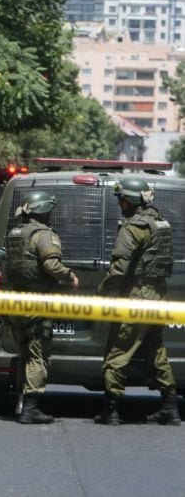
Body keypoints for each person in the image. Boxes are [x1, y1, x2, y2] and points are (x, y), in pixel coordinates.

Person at [94, 177, 179, 426]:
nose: (119, 204)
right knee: (155, 350)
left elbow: (119, 269)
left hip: (135, 298)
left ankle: (111, 410)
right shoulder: (161, 224)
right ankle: (170, 407)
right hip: (158, 297)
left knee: (117, 352)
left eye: (121, 199)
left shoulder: (132, 228)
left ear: (130, 200)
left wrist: (103, 292)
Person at [5, 191, 78, 424]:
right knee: (38, 355)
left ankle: (20, 402)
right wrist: (69, 277)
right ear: (45, 212)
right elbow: (51, 263)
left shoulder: (15, 233)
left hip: (15, 302)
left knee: (24, 352)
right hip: (36, 303)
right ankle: (31, 409)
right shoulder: (43, 235)